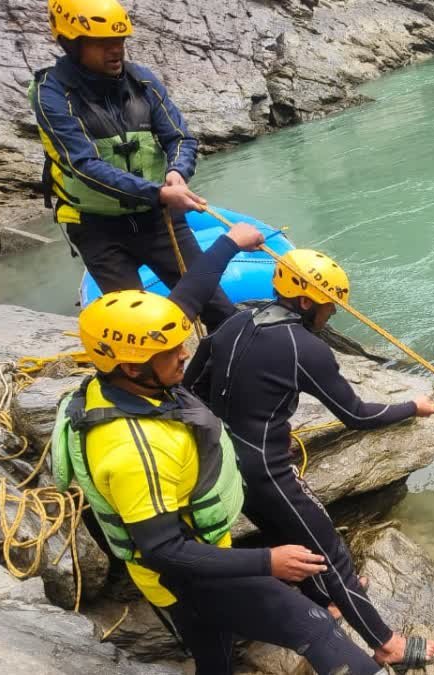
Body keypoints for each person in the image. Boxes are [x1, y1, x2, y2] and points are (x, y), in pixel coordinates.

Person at [52, 225, 384, 675]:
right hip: (186, 578)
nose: (185, 355)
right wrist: (269, 560)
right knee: (316, 629)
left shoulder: (135, 379)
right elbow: (163, 551)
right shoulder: (131, 450)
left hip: (203, 558)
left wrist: (230, 243)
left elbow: (191, 292)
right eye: (172, 353)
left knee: (215, 651)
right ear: (132, 364)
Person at [184, 249, 434, 671]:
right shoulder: (306, 348)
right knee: (330, 552)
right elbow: (357, 415)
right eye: (328, 306)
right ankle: (387, 645)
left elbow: (192, 387)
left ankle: (326, 600)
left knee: (286, 532)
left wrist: (243, 425)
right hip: (264, 469)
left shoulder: (233, 321)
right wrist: (412, 406)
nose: (331, 315)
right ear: (306, 301)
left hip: (221, 457)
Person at [28, 0, 236, 330]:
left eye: (121, 40)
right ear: (72, 42)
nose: (116, 51)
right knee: (134, 326)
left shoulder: (143, 82)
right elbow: (84, 165)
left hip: (158, 220)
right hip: (99, 229)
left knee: (219, 310)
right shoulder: (51, 94)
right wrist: (159, 194)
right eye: (103, 43)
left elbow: (180, 138)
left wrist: (176, 174)